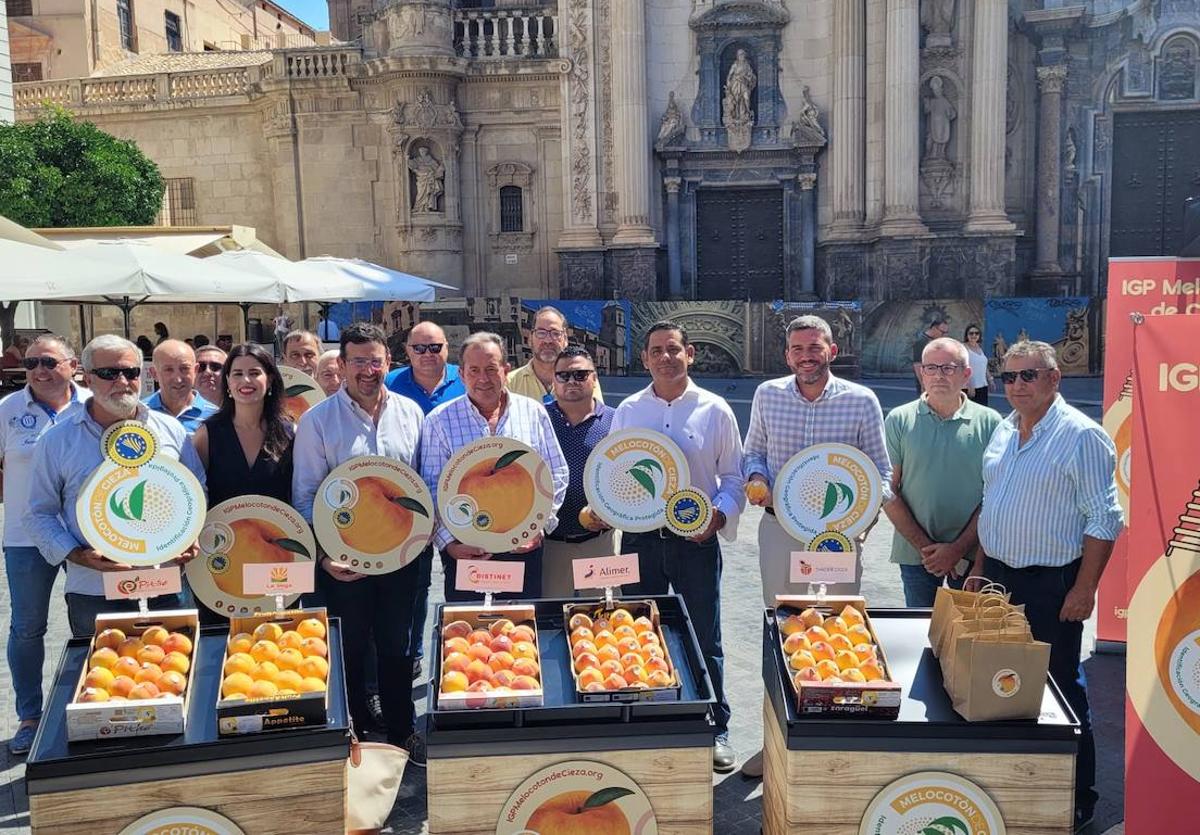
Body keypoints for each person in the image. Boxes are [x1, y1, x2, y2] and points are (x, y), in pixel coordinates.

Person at [973, 340, 1122, 833]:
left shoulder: (1082, 436)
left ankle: (1078, 795)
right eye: (1008, 376)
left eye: (1028, 376)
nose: (1016, 386)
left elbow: (1105, 518)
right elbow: (991, 503)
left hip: (1050, 585)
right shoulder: (1002, 428)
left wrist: (1084, 591)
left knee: (1059, 690)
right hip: (998, 578)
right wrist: (979, 564)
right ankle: (1018, 783)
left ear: (1054, 379)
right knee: (999, 684)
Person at [612, 321, 744, 773]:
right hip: (640, 540)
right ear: (645, 358)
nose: (665, 357)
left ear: (690, 354)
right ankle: (647, 720)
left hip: (695, 540)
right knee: (637, 629)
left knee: (705, 636)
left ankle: (715, 725)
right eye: (656, 351)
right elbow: (615, 473)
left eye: (674, 349)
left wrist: (718, 517)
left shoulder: (715, 409)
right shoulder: (627, 410)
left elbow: (733, 477)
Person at [292, 323, 428, 763]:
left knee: (398, 647)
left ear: (389, 361)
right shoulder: (317, 421)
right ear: (342, 365)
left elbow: (422, 486)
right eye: (358, 362)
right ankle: (353, 736)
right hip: (345, 560)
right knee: (348, 648)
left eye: (375, 361)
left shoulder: (411, 413)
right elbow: (306, 495)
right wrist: (326, 557)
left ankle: (402, 730)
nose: (368, 370)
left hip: (401, 558)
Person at [26, 334, 203, 640]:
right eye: (109, 373)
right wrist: (77, 554)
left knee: (177, 676)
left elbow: (196, 488)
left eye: (131, 372)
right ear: (87, 377)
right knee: (102, 680)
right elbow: (39, 513)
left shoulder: (171, 429)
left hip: (165, 583)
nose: (122, 381)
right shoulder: (57, 441)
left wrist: (191, 533)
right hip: (95, 591)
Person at [743, 315, 892, 602]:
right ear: (787, 356)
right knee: (781, 615)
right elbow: (753, 452)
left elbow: (882, 472)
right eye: (797, 349)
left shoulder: (861, 401)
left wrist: (864, 516)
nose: (805, 356)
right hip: (780, 527)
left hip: (839, 532)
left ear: (832, 351)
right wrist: (757, 477)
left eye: (814, 347)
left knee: (839, 618)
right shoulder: (767, 395)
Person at [420, 332, 568, 602]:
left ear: (506, 370)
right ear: (461, 374)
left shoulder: (533, 412)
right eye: (474, 370)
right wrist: (448, 543)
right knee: (467, 635)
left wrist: (540, 527)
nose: (483, 379)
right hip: (466, 551)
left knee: (522, 630)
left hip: (523, 548)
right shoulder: (439, 421)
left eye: (491, 369)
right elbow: (431, 486)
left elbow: (556, 471)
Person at [0, 336, 90, 755]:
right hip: (24, 537)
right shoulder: (8, 411)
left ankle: (86, 707)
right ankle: (30, 715)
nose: (39, 369)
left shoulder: (93, 404)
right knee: (27, 628)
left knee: (89, 623)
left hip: (87, 536)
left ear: (73, 364)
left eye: (49, 361)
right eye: (32, 362)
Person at [883, 337, 1001, 607]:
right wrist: (928, 551)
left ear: (966, 374)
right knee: (920, 635)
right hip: (916, 555)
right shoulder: (899, 420)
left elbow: (994, 496)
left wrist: (958, 550)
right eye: (931, 368)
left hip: (973, 555)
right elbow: (888, 491)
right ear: (921, 373)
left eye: (948, 368)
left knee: (969, 639)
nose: (938, 376)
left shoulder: (990, 423)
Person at [384, 321, 466, 674]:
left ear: (447, 348)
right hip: (404, 504)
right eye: (420, 349)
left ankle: (459, 646)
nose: (428, 355)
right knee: (414, 582)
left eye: (436, 347)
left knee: (458, 575)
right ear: (407, 351)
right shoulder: (390, 383)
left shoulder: (465, 378)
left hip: (454, 501)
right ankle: (413, 650)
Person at [192, 344, 295, 623]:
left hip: (275, 560)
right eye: (237, 373)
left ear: (270, 379)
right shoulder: (207, 434)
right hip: (221, 560)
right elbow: (193, 499)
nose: (245, 381)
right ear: (227, 382)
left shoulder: (290, 432)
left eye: (254, 372)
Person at [542, 346, 616, 597]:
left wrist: (615, 514)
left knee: (602, 620)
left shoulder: (615, 421)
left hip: (600, 542)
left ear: (594, 378)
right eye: (563, 376)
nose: (571, 381)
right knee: (549, 622)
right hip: (551, 544)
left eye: (581, 375)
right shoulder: (538, 419)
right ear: (553, 381)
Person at [508, 306, 603, 405]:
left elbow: (597, 418)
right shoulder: (509, 384)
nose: (548, 340)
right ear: (530, 339)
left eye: (555, 333)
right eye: (541, 333)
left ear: (565, 340)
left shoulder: (585, 379)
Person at [145, 339, 219, 433]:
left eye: (184, 369)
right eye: (168, 370)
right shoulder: (139, 414)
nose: (178, 379)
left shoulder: (216, 417)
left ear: (195, 370)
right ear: (154, 373)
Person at [911, 317, 949, 394]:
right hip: (927, 381)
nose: (944, 335)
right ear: (934, 328)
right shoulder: (921, 341)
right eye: (942, 332)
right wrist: (923, 384)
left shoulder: (937, 340)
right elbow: (917, 364)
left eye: (946, 332)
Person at [962, 323, 991, 405]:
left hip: (982, 385)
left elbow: (983, 365)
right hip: (970, 387)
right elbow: (962, 367)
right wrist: (969, 384)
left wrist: (990, 379)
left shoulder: (979, 347)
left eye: (976, 333)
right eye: (971, 333)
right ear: (966, 335)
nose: (974, 335)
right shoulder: (963, 348)